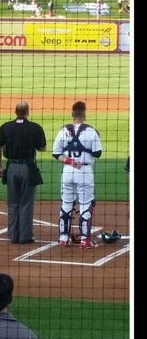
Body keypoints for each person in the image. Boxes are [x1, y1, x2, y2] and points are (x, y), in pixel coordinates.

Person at [0, 101, 46, 244]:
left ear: (15, 111)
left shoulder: (5, 127)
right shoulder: (35, 128)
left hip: (11, 167)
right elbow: (42, 148)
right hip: (28, 168)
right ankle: (24, 237)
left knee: (12, 202)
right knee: (26, 202)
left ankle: (13, 235)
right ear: (27, 112)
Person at [52, 101, 102, 248]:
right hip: (84, 172)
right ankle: (84, 240)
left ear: (72, 114)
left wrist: (70, 161)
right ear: (84, 114)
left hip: (68, 171)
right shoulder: (91, 131)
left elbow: (56, 153)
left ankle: (63, 238)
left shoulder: (63, 130)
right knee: (86, 204)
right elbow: (97, 153)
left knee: (66, 204)